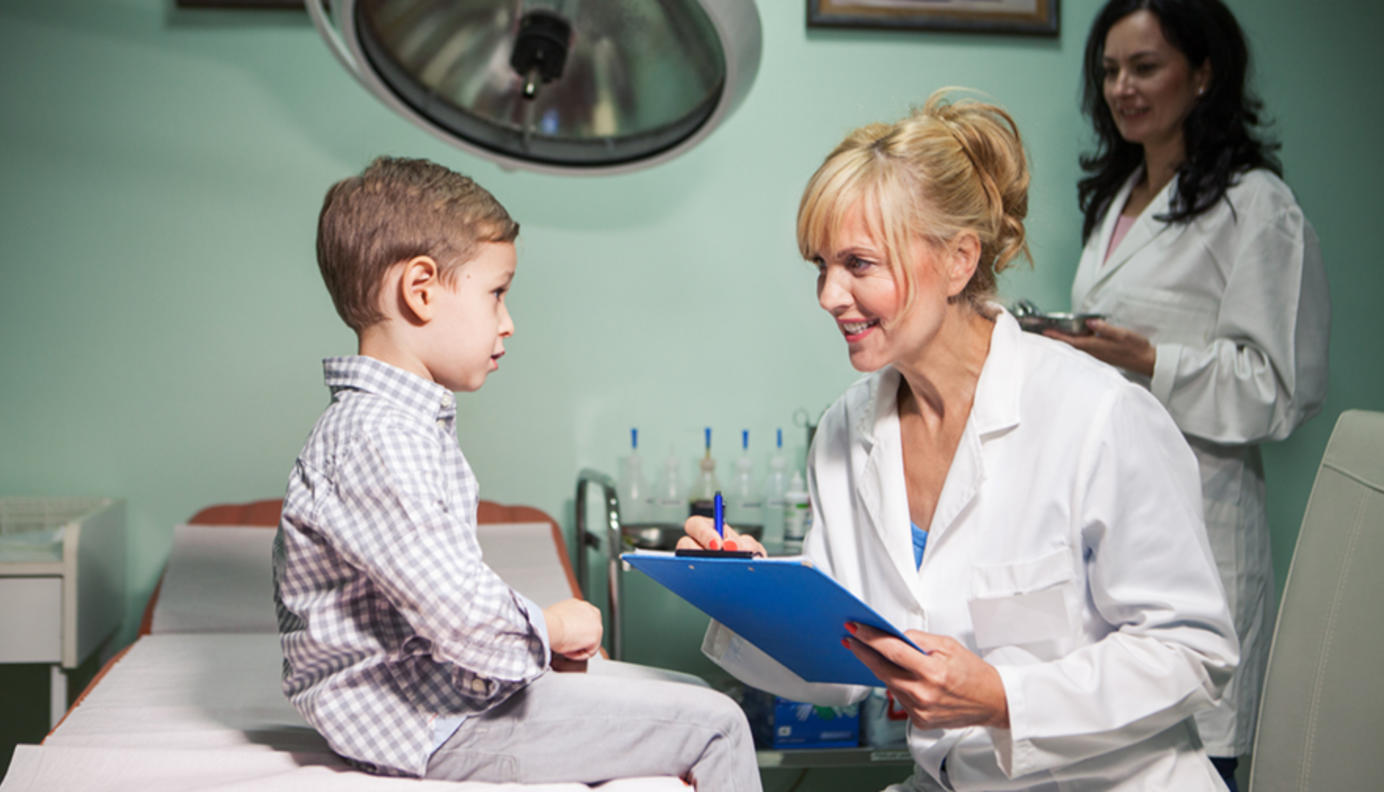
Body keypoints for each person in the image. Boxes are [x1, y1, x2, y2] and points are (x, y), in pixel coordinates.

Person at [682, 93, 1239, 790]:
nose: (828, 294)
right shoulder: (847, 432)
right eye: (819, 265)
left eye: (858, 263)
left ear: (957, 261)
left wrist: (1004, 697)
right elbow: (841, 670)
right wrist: (748, 592)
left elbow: (1193, 651)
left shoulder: (1097, 416)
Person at [273, 156, 760, 790]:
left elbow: (437, 592)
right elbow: (458, 616)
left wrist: (536, 644)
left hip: (436, 698)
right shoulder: (380, 437)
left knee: (689, 693)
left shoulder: (388, 426)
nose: (508, 321)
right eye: (496, 293)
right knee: (720, 724)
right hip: (434, 723)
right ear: (420, 290)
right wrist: (549, 628)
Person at [1051, 2, 1330, 785]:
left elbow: (1281, 391)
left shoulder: (1257, 207)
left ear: (1204, 73)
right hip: (1106, 525)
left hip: (1202, 523)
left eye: (1145, 67)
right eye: (1109, 70)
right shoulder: (1116, 197)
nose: (1122, 88)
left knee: (1191, 757)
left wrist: (1149, 357)